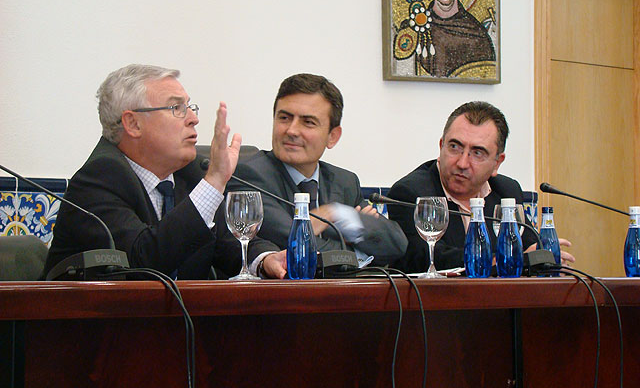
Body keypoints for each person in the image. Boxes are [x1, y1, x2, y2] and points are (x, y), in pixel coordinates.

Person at [44, 64, 268, 279]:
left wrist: (266, 260)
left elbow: (231, 245)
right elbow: (142, 263)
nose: (194, 119)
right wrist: (215, 181)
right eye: (176, 108)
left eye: (189, 107)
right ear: (133, 124)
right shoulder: (98, 180)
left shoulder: (188, 174)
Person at [226, 73, 408, 279]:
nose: (292, 130)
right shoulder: (249, 175)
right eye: (284, 118)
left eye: (308, 122)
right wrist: (356, 244)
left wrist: (337, 213)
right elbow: (298, 244)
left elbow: (396, 246)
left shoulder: (345, 182)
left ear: (333, 136)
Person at [387, 101, 574, 274]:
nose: (462, 163)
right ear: (441, 146)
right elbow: (431, 259)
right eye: (454, 147)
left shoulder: (506, 192)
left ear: (497, 163)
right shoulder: (411, 193)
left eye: (477, 153)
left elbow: (529, 247)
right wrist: (514, 259)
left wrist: (543, 255)